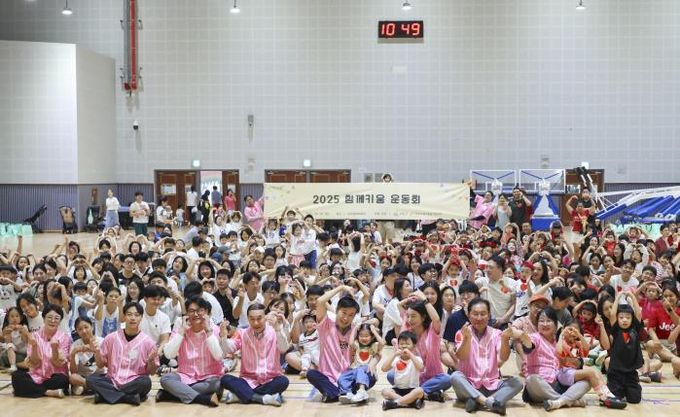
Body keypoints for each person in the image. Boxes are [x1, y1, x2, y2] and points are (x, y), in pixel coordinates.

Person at [450, 298, 523, 415]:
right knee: (455, 376)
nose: (479, 318)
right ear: (469, 316)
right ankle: (490, 402)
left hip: (492, 384)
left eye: (483, 314)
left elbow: (503, 357)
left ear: (489, 315)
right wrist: (467, 339)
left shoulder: (497, 333)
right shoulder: (462, 333)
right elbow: (461, 357)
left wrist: (505, 339)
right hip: (469, 384)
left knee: (517, 383)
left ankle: (476, 400)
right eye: (475, 314)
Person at [306, 285, 374, 403]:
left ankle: (337, 393)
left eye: (351, 315)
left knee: (371, 375)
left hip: (348, 376)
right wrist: (341, 287)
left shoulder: (355, 330)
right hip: (329, 377)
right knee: (311, 374)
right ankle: (341, 392)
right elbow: (320, 301)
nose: (346, 318)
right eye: (344, 313)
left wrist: (372, 364)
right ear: (337, 310)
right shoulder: (326, 324)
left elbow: (374, 347)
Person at [87, 302, 159, 405]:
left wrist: (151, 361)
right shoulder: (111, 338)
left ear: (141, 318)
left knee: (146, 382)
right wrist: (97, 352)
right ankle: (128, 397)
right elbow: (100, 365)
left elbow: (151, 372)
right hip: (112, 380)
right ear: (124, 316)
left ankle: (105, 396)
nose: (133, 318)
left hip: (134, 381)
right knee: (90, 379)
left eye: (136, 315)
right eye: (129, 314)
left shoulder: (149, 343)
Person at [219, 303, 290, 406]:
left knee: (283, 381)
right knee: (225, 379)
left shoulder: (274, 331)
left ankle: (241, 395)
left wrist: (278, 329)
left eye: (259, 318)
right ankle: (262, 398)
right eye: (252, 319)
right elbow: (228, 349)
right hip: (248, 381)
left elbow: (284, 348)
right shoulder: (242, 333)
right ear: (248, 319)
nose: (256, 323)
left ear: (265, 317)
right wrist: (224, 336)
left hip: (270, 380)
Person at [157, 297, 223, 407]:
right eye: (191, 311)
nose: (196, 314)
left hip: (209, 378)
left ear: (206, 312)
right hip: (185, 376)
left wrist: (208, 331)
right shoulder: (181, 330)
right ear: (187, 313)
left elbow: (218, 356)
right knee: (165, 379)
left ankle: (171, 394)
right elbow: (168, 354)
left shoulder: (214, 329)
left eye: (200, 310)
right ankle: (203, 399)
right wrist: (182, 332)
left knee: (218, 384)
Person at [522, 307, 592, 410]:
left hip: (558, 384)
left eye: (548, 321)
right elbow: (528, 346)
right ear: (537, 324)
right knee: (532, 379)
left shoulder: (561, 341)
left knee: (587, 382)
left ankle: (559, 401)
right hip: (539, 387)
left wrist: (578, 362)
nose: (545, 324)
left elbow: (577, 357)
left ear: (555, 325)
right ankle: (566, 400)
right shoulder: (534, 337)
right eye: (541, 321)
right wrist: (525, 340)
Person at [11, 304, 71, 398]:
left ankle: (31, 389)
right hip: (36, 376)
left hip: (55, 377)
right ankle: (47, 392)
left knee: (62, 380)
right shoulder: (34, 336)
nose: (53, 320)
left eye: (56, 318)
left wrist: (54, 349)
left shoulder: (65, 338)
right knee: (16, 376)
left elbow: (58, 363)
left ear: (60, 321)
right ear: (43, 319)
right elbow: (34, 363)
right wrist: (34, 346)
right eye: (49, 317)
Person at [606, 291, 644, 404]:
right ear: (617, 319)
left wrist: (632, 296)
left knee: (635, 399)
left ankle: (629, 389)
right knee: (616, 397)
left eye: (628, 317)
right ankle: (616, 388)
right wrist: (618, 297)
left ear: (632, 319)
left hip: (630, 372)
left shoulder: (635, 329)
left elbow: (638, 313)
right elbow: (612, 314)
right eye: (621, 317)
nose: (624, 320)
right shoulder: (616, 330)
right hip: (616, 371)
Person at [381, 330, 425, 410]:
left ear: (414, 346)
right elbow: (384, 368)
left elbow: (420, 368)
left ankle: (396, 403)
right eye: (401, 344)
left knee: (420, 391)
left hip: (412, 389)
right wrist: (394, 354)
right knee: (385, 391)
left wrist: (410, 354)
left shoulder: (416, 359)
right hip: (398, 389)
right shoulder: (396, 359)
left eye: (407, 344)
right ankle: (409, 402)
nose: (404, 346)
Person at [69, 317, 105, 395]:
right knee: (73, 377)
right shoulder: (75, 345)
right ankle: (96, 388)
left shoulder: (102, 341)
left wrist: (96, 351)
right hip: (84, 377)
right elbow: (73, 372)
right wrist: (73, 354)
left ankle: (86, 387)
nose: (84, 331)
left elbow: (103, 365)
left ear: (92, 327)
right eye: (80, 329)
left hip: (100, 376)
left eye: (86, 327)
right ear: (77, 331)